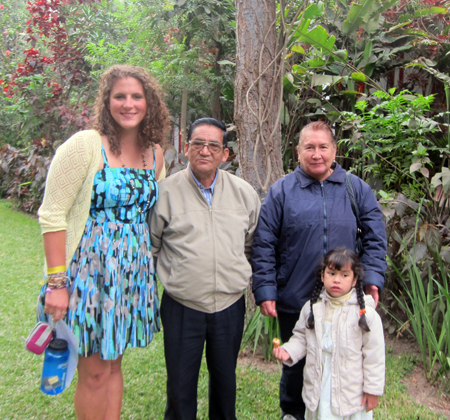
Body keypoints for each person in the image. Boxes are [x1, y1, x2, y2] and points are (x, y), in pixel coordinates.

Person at [37, 64, 169, 420]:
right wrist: (57, 284)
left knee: (112, 366)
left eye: (136, 96)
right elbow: (52, 215)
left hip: (130, 276)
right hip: (87, 276)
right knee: (93, 372)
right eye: (120, 96)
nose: (129, 104)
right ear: (106, 102)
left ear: (149, 103)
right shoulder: (85, 146)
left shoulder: (154, 154)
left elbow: (151, 214)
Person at [251, 121, 387, 420]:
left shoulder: (355, 188)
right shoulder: (282, 191)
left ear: (334, 150)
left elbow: (376, 236)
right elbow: (264, 243)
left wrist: (372, 279)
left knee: (343, 361)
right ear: (298, 151)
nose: (316, 154)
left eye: (323, 147)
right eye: (309, 147)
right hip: (295, 295)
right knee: (297, 363)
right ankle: (293, 413)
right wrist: (265, 289)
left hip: (345, 300)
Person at [150, 117, 261, 420]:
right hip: (182, 306)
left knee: (225, 385)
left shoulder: (243, 193)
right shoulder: (166, 193)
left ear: (225, 154)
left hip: (229, 306)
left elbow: (252, 244)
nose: (205, 151)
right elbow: (152, 245)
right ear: (186, 148)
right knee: (180, 386)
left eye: (214, 145)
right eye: (198, 143)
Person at [273, 247, 385, 420]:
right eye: (331, 273)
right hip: (319, 386)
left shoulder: (365, 314)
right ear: (322, 276)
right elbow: (301, 337)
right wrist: (287, 351)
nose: (337, 280)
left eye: (344, 275)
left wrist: (373, 390)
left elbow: (374, 356)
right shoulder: (312, 308)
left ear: (355, 280)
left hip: (350, 391)